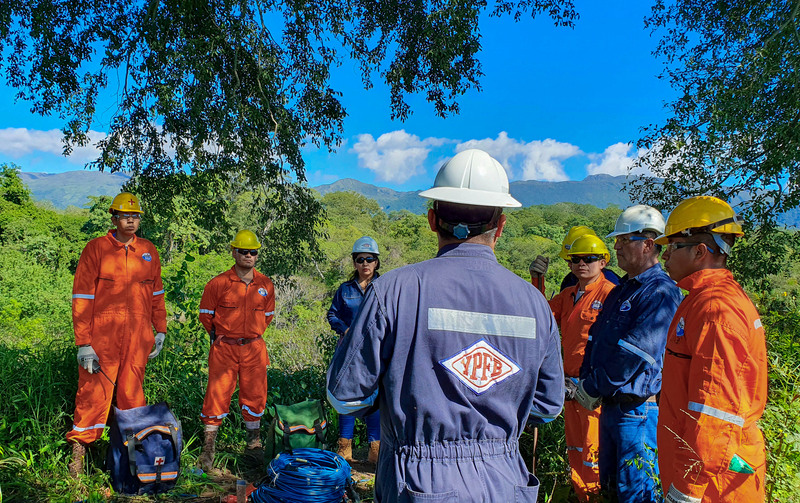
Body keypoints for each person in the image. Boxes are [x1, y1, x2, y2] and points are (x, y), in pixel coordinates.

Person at [327, 149, 564, 502]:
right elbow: (547, 405)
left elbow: (344, 395)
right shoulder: (535, 304)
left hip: (418, 479)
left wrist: (397, 406)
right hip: (506, 482)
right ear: (500, 226)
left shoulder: (393, 291)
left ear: (432, 219)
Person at [656, 196, 766, 503]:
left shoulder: (715, 309)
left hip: (713, 481)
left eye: (672, 246)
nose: (664, 256)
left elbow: (716, 411)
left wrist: (687, 491)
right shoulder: (702, 299)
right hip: (707, 467)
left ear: (699, 251)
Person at [575, 205, 682, 502]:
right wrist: (587, 381)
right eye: (617, 240)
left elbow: (636, 352)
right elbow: (596, 340)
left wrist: (592, 386)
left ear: (648, 244)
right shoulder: (621, 290)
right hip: (612, 408)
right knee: (610, 488)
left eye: (624, 240)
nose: (617, 246)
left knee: (635, 492)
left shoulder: (659, 291)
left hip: (636, 412)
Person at [67, 192, 167, 477]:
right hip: (103, 340)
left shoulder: (149, 251)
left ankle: (128, 470)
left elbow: (156, 295)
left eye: (135, 216)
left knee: (133, 401)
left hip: (138, 339)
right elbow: (82, 297)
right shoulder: (96, 249)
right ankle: (77, 466)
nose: (132, 221)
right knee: (92, 398)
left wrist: (160, 330)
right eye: (126, 216)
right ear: (114, 217)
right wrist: (83, 342)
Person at [197, 230, 275, 472]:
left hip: (254, 348)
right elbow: (206, 316)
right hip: (224, 348)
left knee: (255, 396)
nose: (249, 256)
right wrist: (226, 335)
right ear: (234, 252)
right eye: (244, 251)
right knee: (216, 396)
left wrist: (250, 333)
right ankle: (208, 450)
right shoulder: (218, 283)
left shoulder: (265, 284)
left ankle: (253, 447)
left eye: (253, 252)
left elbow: (268, 316)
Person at [546, 234, 616, 501]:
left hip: (592, 388)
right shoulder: (568, 295)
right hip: (569, 387)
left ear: (602, 261)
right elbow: (541, 317)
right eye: (576, 259)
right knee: (575, 446)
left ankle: (595, 495)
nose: (582, 264)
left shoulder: (610, 294)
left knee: (592, 448)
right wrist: (537, 281)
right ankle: (580, 493)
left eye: (589, 259)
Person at [327, 236, 382, 465]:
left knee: (375, 398)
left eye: (370, 259)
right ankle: (344, 449)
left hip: (376, 351)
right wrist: (345, 329)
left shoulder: (385, 287)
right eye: (360, 259)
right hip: (348, 352)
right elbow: (332, 315)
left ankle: (375, 451)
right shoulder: (345, 290)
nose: (365, 264)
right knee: (347, 396)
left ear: (376, 262)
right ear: (354, 263)